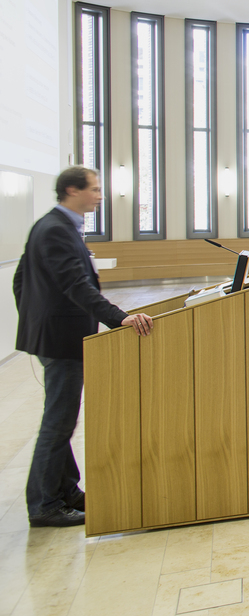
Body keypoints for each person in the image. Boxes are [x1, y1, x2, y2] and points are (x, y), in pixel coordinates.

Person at [13, 166, 154, 528]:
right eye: (93, 189)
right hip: (61, 339)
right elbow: (76, 285)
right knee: (58, 423)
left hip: (55, 334)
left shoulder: (53, 226)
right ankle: (45, 504)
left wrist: (34, 319)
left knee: (60, 420)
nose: (100, 195)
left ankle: (67, 491)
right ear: (72, 190)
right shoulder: (56, 230)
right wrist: (117, 317)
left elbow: (21, 281)